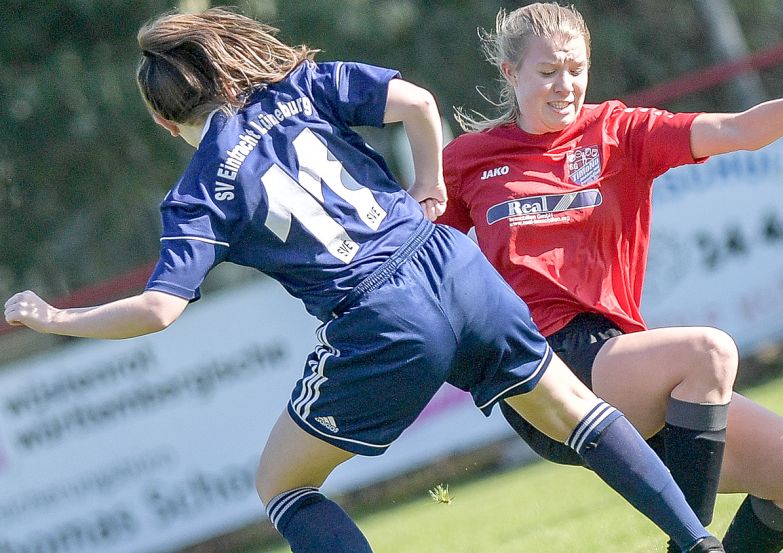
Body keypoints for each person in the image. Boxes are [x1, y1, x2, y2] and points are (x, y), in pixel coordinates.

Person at [2, 8, 729, 553]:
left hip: (379, 317)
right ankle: (700, 545)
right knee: (573, 409)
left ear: (166, 123)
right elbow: (415, 102)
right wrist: (430, 188)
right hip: (450, 262)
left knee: (280, 485)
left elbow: (159, 310)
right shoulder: (299, 86)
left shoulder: (199, 191)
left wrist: (56, 319)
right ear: (227, 70)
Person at [438, 3, 783, 552]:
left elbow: (736, 129)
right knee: (707, 353)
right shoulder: (466, 160)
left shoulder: (620, 131)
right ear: (510, 73)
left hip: (617, 361)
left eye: (576, 69)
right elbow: (427, 262)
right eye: (548, 71)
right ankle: (690, 542)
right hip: (537, 369)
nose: (564, 84)